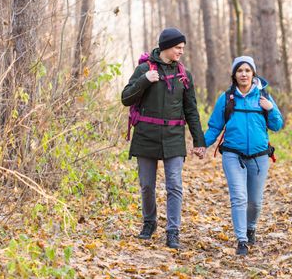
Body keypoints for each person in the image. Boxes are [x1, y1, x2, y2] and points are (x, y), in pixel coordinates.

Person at [121, 27, 206, 249]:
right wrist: (144, 81)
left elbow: (192, 110)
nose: (181, 52)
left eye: (183, 48)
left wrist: (199, 141)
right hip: (146, 135)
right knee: (147, 185)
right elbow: (126, 98)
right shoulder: (144, 69)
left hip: (173, 137)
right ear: (166, 46)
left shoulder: (184, 75)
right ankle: (149, 224)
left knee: (175, 186)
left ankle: (173, 231)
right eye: (178, 47)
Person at [204, 56, 283, 255]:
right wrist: (201, 145)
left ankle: (251, 227)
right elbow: (214, 126)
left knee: (255, 201)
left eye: (248, 70)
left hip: (259, 157)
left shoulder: (263, 97)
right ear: (234, 75)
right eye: (240, 71)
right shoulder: (227, 98)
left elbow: (277, 125)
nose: (244, 74)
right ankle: (241, 240)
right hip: (232, 154)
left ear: (253, 74)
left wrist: (271, 109)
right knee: (239, 197)